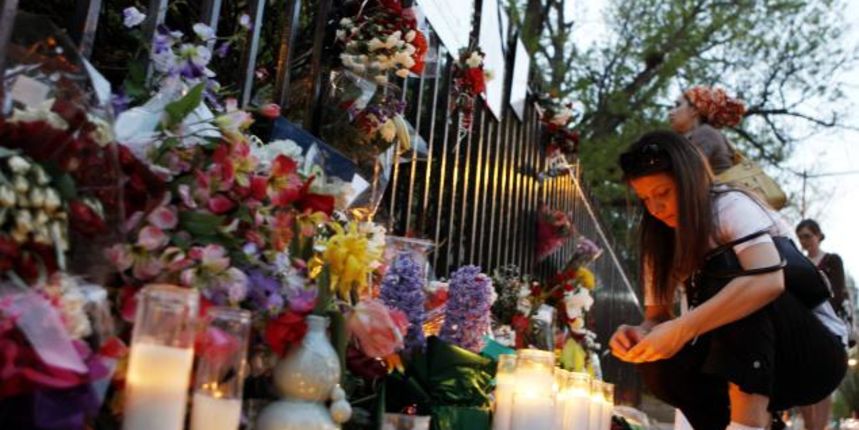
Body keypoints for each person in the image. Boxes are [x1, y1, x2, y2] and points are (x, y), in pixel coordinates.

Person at [609, 130, 847, 430]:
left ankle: (746, 423)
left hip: (811, 356)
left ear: (690, 182)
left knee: (732, 280)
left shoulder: (728, 205)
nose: (655, 208)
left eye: (663, 193)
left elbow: (768, 282)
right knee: (658, 363)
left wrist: (682, 328)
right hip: (745, 354)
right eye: (644, 198)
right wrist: (640, 333)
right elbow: (657, 317)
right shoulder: (659, 239)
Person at [795, 219, 850, 430]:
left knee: (823, 378)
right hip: (804, 328)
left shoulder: (832, 260)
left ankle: (819, 427)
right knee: (802, 378)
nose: (804, 241)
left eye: (808, 236)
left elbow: (837, 293)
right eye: (800, 237)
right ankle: (810, 427)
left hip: (828, 328)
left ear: (818, 235)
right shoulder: (799, 261)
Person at [668, 86, 746, 175]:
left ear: (694, 110)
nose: (671, 112)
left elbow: (686, 172)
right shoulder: (700, 134)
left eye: (678, 105)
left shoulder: (705, 133)